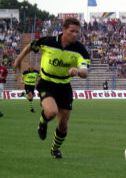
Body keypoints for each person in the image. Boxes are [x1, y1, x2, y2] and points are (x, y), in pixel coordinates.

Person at [13, 17, 90, 159]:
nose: (74, 34)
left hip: (64, 87)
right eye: (72, 31)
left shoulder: (80, 50)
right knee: (51, 112)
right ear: (64, 30)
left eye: (77, 32)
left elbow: (85, 71)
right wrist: (19, 59)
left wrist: (78, 71)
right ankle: (42, 122)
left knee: (63, 125)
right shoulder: (48, 42)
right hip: (47, 83)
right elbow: (31, 45)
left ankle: (55, 149)